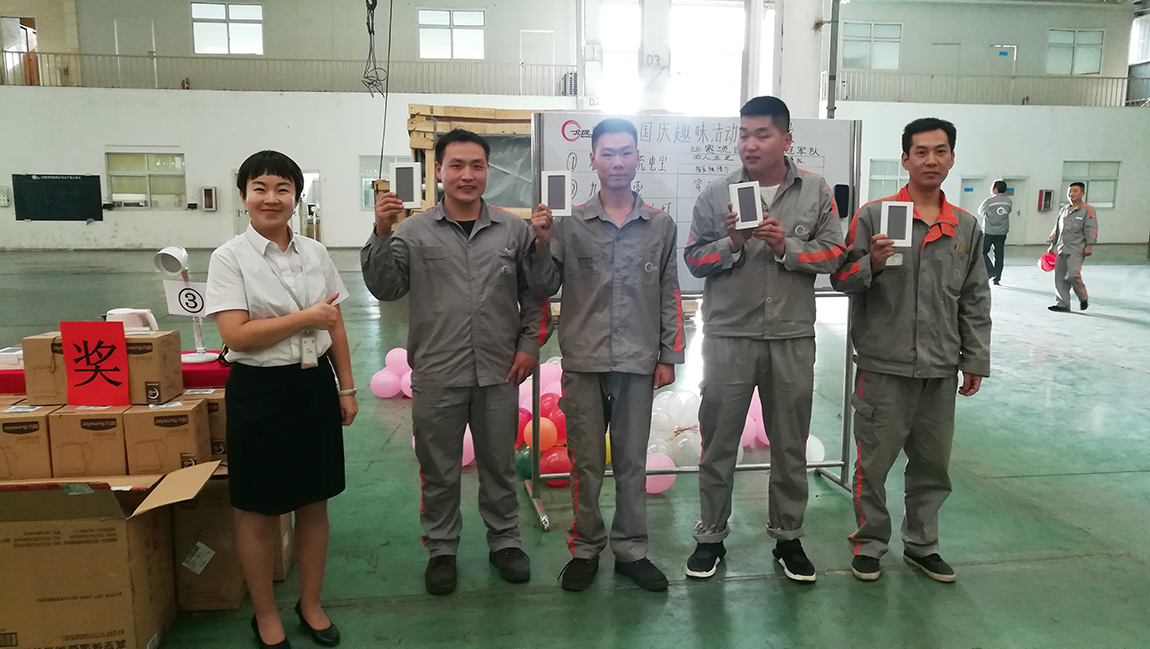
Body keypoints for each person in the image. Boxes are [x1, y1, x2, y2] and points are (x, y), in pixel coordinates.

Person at [361, 129, 549, 596]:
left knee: (499, 464)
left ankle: (505, 542)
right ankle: (442, 549)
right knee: (439, 467)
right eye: (457, 165)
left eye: (477, 166)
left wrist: (529, 345)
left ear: (488, 172)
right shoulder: (413, 231)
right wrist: (381, 233)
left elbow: (535, 294)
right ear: (439, 171)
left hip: (499, 369)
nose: (467, 175)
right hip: (437, 370)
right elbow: (386, 288)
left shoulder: (514, 230)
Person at [682, 96, 846, 583]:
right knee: (718, 445)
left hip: (791, 338)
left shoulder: (815, 191)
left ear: (786, 139)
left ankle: (788, 537)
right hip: (728, 338)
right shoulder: (717, 194)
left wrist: (783, 245)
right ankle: (711, 536)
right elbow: (693, 261)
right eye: (743, 134)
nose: (749, 144)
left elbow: (834, 256)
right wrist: (733, 242)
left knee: (789, 447)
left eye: (761, 134)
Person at [526, 118, 685, 592]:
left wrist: (668, 354)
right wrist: (540, 242)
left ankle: (632, 550)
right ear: (592, 159)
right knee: (587, 462)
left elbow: (669, 291)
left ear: (638, 158)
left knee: (633, 461)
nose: (617, 162)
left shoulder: (660, 225)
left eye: (625, 152)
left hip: (638, 361)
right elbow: (543, 285)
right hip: (584, 361)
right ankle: (585, 549)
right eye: (608, 153)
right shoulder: (569, 224)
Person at [831, 118, 991, 583]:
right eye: (921, 152)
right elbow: (841, 279)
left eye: (940, 151)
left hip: (939, 368)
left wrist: (974, 359)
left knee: (932, 467)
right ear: (905, 159)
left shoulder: (964, 227)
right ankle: (870, 543)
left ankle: (922, 545)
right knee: (873, 465)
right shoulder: (874, 216)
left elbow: (975, 298)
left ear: (952, 158)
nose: (931, 160)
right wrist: (873, 262)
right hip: (884, 366)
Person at [207, 150, 355, 649]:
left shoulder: (315, 254)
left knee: (314, 503)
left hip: (312, 387)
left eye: (283, 189)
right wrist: (306, 318)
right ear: (244, 196)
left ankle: (310, 604)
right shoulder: (230, 258)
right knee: (258, 508)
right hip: (258, 391)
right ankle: (265, 614)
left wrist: (347, 387)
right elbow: (236, 335)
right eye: (260, 188)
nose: (271, 198)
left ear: (296, 197)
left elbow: (336, 325)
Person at [1046, 182, 1097, 312]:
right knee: (1059, 277)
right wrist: (1052, 244)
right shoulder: (1064, 209)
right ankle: (1062, 304)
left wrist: (1089, 245)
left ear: (1082, 193)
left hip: (1077, 248)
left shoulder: (1087, 210)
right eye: (1070, 191)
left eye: (1075, 191)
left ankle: (1083, 297)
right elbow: (1057, 228)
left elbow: (1091, 228)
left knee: (1073, 275)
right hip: (1062, 247)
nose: (1071, 194)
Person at [978, 180, 1012, 285]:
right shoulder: (1009, 201)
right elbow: (1008, 211)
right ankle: (997, 278)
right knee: (999, 254)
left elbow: (980, 211)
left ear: (995, 189)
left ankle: (990, 270)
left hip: (989, 231)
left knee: (982, 251)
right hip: (1002, 232)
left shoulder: (989, 201)